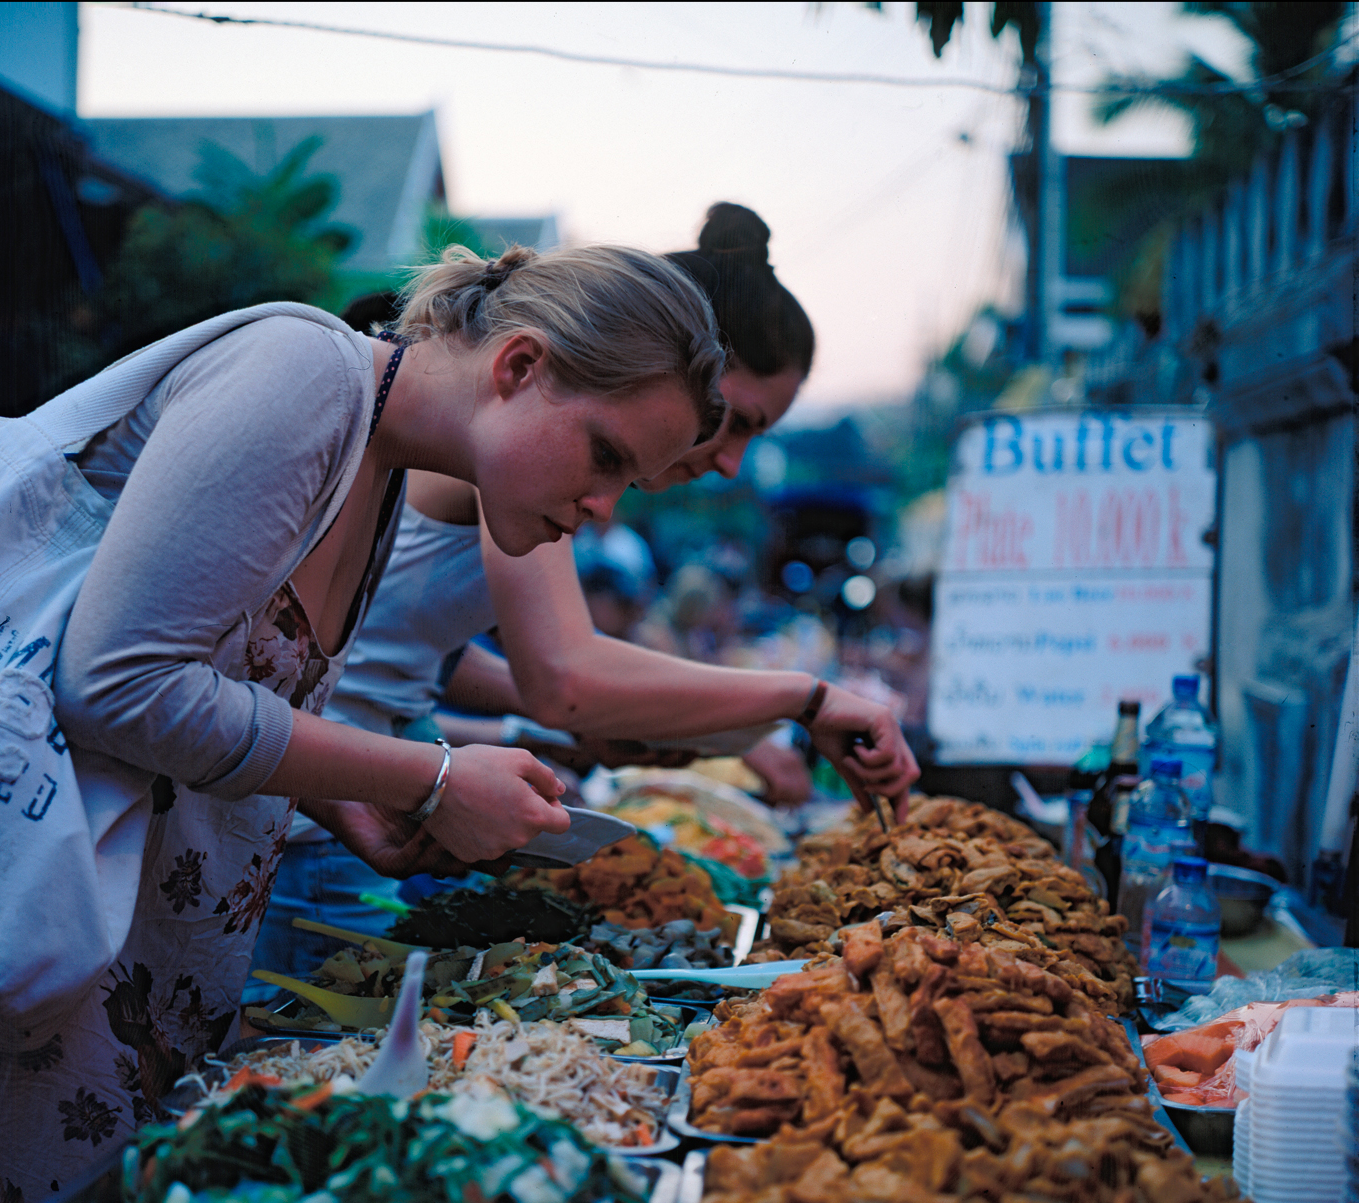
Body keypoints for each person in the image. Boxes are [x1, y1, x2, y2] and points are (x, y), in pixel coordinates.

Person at [0, 241, 725, 1203]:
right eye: (606, 460)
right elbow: (116, 685)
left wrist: (347, 810)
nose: (603, 510)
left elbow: (211, 706)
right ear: (521, 365)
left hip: (130, 991)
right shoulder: (303, 378)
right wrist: (423, 775)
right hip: (50, 957)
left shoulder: (377, 459)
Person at [250, 203, 918, 979]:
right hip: (316, 832)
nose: (730, 460)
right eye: (733, 421)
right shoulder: (513, 448)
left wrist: (545, 718)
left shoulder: (519, 456)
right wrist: (802, 698)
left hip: (338, 813)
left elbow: (400, 644)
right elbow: (565, 676)